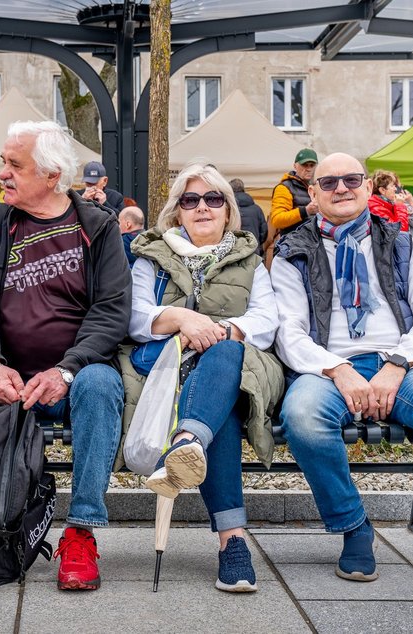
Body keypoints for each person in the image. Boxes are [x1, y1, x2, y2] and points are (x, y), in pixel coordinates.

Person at [271, 152, 413, 613]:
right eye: (328, 182)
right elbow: (288, 332)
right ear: (312, 193)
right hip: (327, 367)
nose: (341, 188)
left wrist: (397, 364)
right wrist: (337, 369)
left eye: (351, 179)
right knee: (302, 415)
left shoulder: (401, 242)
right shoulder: (292, 250)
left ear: (366, 186)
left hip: (401, 364)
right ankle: (354, 527)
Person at [0, 121, 131, 592]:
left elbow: (112, 310)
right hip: (3, 377)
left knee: (102, 384)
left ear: (52, 175)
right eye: (4, 162)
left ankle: (80, 533)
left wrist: (66, 369)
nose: (3, 173)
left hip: (71, 377)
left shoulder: (97, 227)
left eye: (14, 165)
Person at [125, 163, 282, 592]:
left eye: (213, 199)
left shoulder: (250, 261)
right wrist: (182, 319)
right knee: (220, 414)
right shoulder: (152, 257)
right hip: (166, 368)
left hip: (238, 367)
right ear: (177, 211)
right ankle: (233, 541)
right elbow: (135, 318)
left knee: (225, 357)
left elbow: (267, 320)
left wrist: (221, 331)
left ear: (228, 210)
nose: (202, 208)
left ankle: (187, 442)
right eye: (190, 200)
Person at [264, 148, 318, 259]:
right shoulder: (284, 188)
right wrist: (305, 211)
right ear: (295, 166)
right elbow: (277, 220)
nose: (308, 169)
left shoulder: (317, 186)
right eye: (304, 165)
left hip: (313, 248)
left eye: (312, 165)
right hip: (292, 250)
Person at [229, 178, 267, 257]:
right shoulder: (257, 209)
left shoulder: (228, 209)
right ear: (243, 189)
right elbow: (264, 231)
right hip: (254, 250)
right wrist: (257, 243)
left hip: (233, 252)